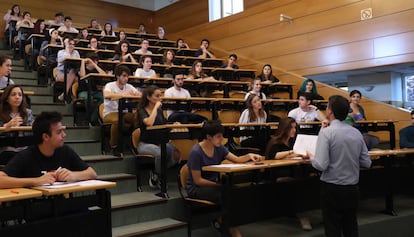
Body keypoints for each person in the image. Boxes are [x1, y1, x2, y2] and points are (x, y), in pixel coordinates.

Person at [186, 120, 262, 237]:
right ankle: (231, 229)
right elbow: (198, 180)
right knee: (226, 194)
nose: (222, 139)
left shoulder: (219, 148)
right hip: (197, 189)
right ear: (208, 137)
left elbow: (237, 159)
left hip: (214, 185)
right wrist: (218, 185)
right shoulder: (196, 152)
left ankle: (224, 221)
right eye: (218, 136)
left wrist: (249, 156)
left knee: (237, 191)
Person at [310, 95, 372, 237]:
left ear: (330, 112)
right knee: (351, 226)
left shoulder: (326, 133)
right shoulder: (356, 133)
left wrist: (311, 158)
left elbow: (320, 164)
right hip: (352, 188)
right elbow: (367, 163)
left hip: (332, 188)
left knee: (333, 228)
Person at [0, 111, 97, 188]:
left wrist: (73, 175)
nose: (64, 135)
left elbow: (92, 173)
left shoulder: (65, 151)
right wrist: (36, 181)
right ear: (46, 137)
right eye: (59, 132)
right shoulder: (26, 156)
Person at [265, 117, 312, 230]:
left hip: (294, 173)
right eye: (292, 128)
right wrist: (291, 153)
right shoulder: (275, 141)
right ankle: (303, 216)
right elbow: (273, 156)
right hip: (279, 175)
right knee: (297, 186)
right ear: (285, 129)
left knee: (309, 181)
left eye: (295, 128)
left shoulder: (292, 142)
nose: (294, 130)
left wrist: (299, 155)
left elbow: (294, 154)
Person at [137, 85, 181, 189]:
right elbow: (149, 123)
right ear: (148, 97)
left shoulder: (160, 112)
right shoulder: (142, 110)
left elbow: (164, 126)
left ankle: (156, 172)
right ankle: (159, 176)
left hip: (160, 141)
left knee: (176, 155)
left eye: (160, 96)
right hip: (145, 144)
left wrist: (173, 125)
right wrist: (156, 108)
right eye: (157, 96)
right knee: (160, 154)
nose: (159, 98)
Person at [103, 65, 141, 156]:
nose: (126, 78)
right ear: (117, 76)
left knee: (138, 117)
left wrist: (136, 94)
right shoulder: (110, 85)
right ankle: (113, 146)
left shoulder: (129, 86)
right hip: (110, 113)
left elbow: (140, 95)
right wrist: (124, 94)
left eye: (127, 76)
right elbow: (106, 95)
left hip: (124, 112)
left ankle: (133, 143)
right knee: (118, 121)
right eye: (124, 76)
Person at [0, 85, 34, 165]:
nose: (17, 97)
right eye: (13, 94)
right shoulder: (1, 113)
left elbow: (33, 133)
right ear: (7, 98)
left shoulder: (28, 113)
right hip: (6, 151)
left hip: (25, 149)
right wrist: (6, 127)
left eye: (20, 95)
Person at [78, 52, 106, 124]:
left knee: (104, 97)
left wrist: (94, 64)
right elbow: (82, 75)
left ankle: (92, 118)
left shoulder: (96, 69)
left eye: (96, 61)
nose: (96, 62)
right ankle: (91, 119)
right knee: (88, 98)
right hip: (83, 91)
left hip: (94, 91)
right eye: (94, 61)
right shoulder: (82, 68)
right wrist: (82, 62)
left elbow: (104, 75)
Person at [56, 37, 80, 103]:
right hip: (61, 73)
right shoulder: (61, 52)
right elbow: (65, 60)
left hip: (73, 73)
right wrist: (68, 51)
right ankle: (71, 96)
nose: (72, 45)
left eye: (73, 44)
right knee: (74, 77)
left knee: (74, 74)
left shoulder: (76, 52)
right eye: (70, 44)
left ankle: (65, 93)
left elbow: (78, 62)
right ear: (66, 45)